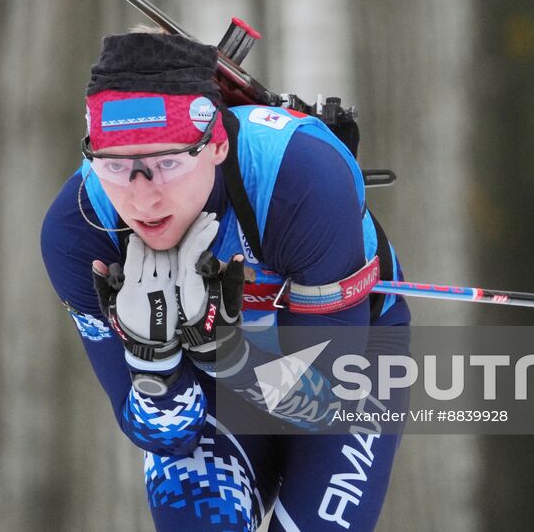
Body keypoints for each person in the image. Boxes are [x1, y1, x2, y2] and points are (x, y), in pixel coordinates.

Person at [41, 32, 410, 531]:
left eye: (167, 163)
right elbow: (162, 435)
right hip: (213, 382)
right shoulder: (79, 230)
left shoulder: (300, 181)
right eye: (114, 165)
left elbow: (323, 405)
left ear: (216, 144)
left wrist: (223, 350)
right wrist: (157, 363)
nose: (143, 197)